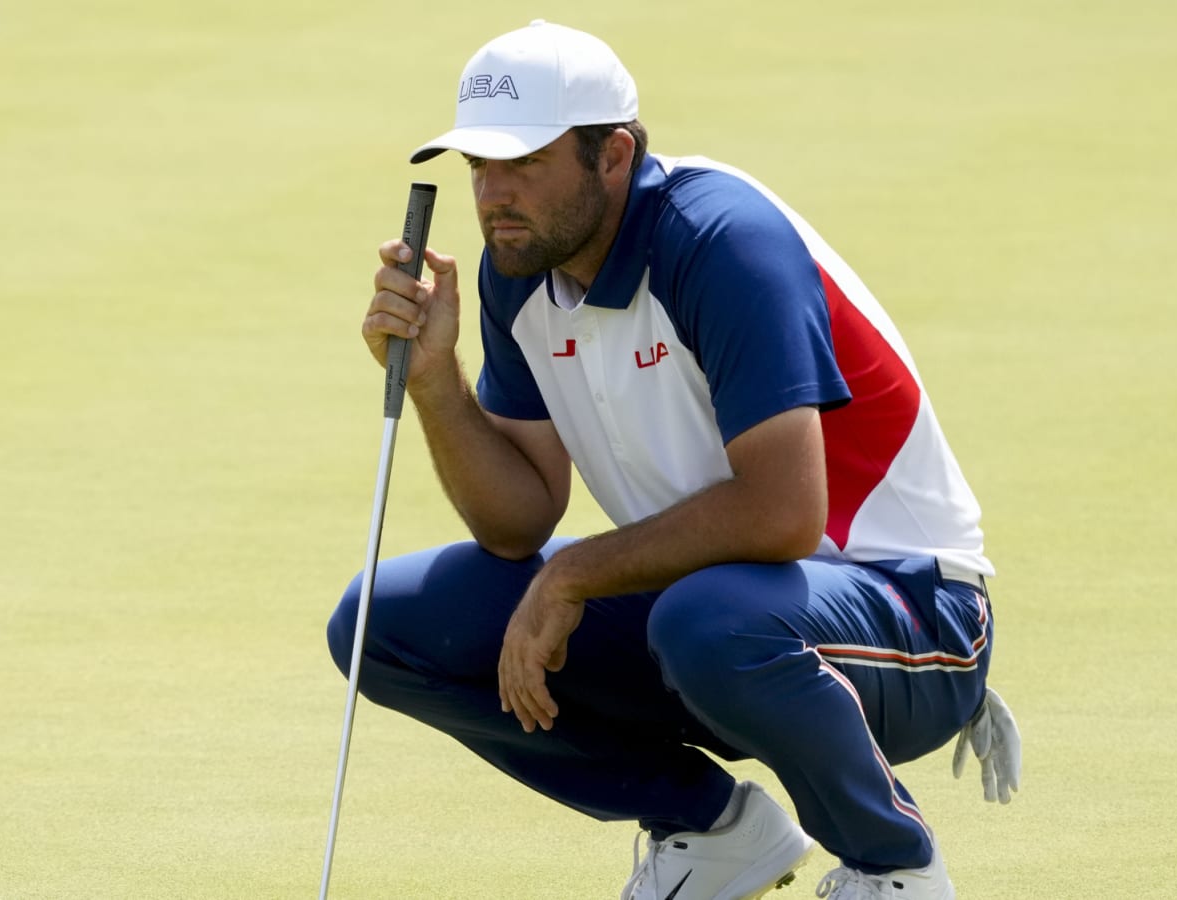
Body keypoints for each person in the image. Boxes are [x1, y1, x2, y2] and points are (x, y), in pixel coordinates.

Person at [328, 20, 1021, 900]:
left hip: (912, 611)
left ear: (613, 155)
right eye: (479, 167)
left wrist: (574, 575)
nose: (495, 195)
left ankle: (896, 868)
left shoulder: (720, 238)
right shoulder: (520, 264)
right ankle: (714, 830)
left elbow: (782, 514)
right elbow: (518, 521)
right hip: (718, 610)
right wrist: (435, 383)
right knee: (384, 624)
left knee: (707, 622)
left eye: (525, 163)